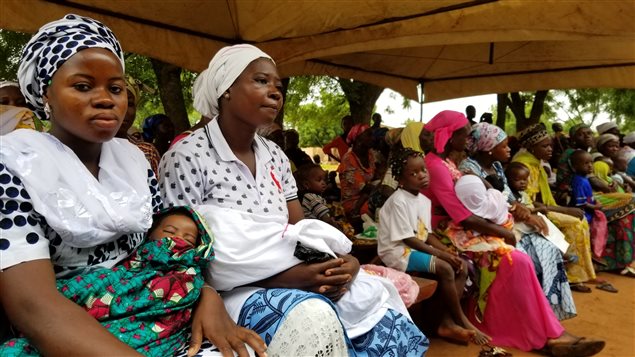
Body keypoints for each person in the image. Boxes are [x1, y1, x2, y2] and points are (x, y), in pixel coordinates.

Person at [0, 14, 261, 357]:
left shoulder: (134, 164)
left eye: (116, 88)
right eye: (82, 86)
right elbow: (36, 310)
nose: (106, 99)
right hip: (72, 337)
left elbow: (164, 251)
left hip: (157, 316)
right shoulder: (16, 167)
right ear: (45, 93)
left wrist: (205, 295)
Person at [159, 44, 428, 356]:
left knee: (376, 306)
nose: (275, 91)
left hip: (293, 268)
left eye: (277, 84)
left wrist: (344, 264)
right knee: (312, 317)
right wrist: (287, 279)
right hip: (222, 290)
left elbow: (298, 228)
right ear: (226, 89)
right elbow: (175, 252)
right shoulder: (187, 156)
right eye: (260, 81)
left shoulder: (274, 155)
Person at [423, 110, 604, 355]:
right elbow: (461, 214)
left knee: (519, 259)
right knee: (513, 258)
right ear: (451, 135)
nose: (468, 139)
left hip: (461, 228)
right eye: (464, 134)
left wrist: (502, 208)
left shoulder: (449, 163)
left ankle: (551, 333)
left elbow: (476, 199)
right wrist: (503, 232)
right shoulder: (436, 166)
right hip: (445, 230)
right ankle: (542, 335)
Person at [2, 206, 215, 355]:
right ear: (149, 234)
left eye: (189, 238)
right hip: (78, 321)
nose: (178, 239)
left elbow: (188, 292)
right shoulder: (130, 260)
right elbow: (105, 283)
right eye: (169, 231)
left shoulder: (190, 272)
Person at [459, 122, 576, 320]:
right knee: (527, 253)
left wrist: (522, 210)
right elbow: (486, 203)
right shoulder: (469, 170)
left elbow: (507, 196)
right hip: (486, 225)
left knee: (547, 248)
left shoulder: (496, 165)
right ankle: (528, 313)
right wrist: (521, 213)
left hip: (507, 219)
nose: (509, 149)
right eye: (504, 146)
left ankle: (550, 311)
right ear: (488, 149)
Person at [378, 148, 490, 346]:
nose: (421, 175)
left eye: (423, 170)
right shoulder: (398, 201)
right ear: (401, 180)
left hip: (415, 248)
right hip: (399, 252)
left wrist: (448, 252)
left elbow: (426, 234)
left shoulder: (423, 200)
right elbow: (409, 239)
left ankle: (445, 321)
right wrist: (442, 256)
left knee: (460, 266)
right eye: (413, 173)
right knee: (445, 267)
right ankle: (461, 320)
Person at [512, 123, 615, 293]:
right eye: (544, 146)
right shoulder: (526, 166)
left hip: (541, 208)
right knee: (575, 223)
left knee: (580, 220)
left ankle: (583, 272)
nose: (550, 149)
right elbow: (530, 204)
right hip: (531, 212)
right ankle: (573, 277)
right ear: (531, 147)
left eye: (550, 145)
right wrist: (564, 210)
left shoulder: (536, 163)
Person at [560, 126, 635, 275]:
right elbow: (590, 183)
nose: (587, 136)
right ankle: (618, 259)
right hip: (578, 199)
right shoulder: (572, 156)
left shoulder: (590, 157)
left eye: (589, 133)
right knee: (631, 202)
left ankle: (626, 260)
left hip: (593, 196)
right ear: (573, 139)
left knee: (630, 203)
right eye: (581, 134)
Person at [115, 75, 161, 175]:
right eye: (116, 102)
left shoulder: (147, 152)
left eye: (130, 104)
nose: (124, 110)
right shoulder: (88, 150)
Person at [339, 123, 381, 225]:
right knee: (381, 210)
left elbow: (376, 177)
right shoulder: (348, 159)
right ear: (358, 139)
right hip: (354, 202)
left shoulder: (370, 154)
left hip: (367, 196)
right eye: (369, 135)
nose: (373, 137)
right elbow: (365, 188)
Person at [294, 163, 343, 231]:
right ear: (306, 184)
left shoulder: (313, 196)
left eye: (324, 179)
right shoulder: (311, 197)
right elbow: (326, 219)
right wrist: (338, 229)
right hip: (314, 230)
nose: (323, 183)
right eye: (319, 180)